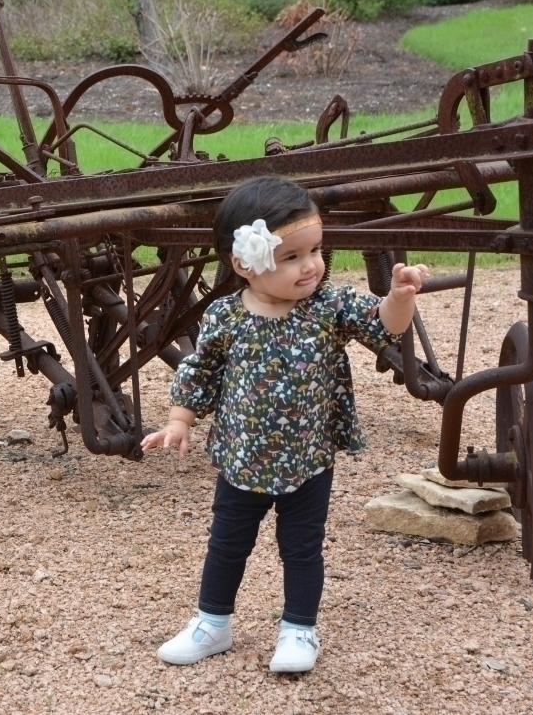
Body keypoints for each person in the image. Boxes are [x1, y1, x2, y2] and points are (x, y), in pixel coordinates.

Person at [141, 176, 427, 673]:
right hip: (241, 461)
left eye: (315, 250)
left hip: (309, 460)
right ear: (244, 264)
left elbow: (385, 324)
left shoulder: (329, 307)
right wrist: (179, 420)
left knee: (302, 547)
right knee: (226, 545)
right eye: (291, 256)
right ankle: (213, 623)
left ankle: (298, 629)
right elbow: (200, 370)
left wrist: (399, 297)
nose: (310, 265)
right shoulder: (226, 316)